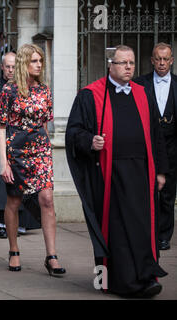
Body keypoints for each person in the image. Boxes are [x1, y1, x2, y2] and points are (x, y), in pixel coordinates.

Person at [65, 44, 168, 297]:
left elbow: (157, 136)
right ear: (110, 65)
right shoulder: (91, 96)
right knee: (118, 229)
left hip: (141, 174)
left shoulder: (143, 94)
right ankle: (121, 283)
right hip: (110, 175)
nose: (128, 67)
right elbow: (73, 132)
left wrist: (161, 171)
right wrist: (91, 141)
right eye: (123, 63)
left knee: (144, 227)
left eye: (131, 63)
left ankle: (147, 277)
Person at [0, 44, 65, 276]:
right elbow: (1, 127)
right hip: (16, 151)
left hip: (40, 151)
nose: (38, 65)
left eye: (40, 61)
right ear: (24, 63)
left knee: (47, 198)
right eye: (34, 61)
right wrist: (3, 162)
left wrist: (46, 151)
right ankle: (14, 250)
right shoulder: (9, 90)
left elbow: (45, 123)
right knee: (14, 201)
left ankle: (52, 255)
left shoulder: (44, 90)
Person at [0, 52, 40, 238]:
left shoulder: (27, 88)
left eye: (14, 66)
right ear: (1, 67)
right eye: (7, 66)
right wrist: (9, 130)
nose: (11, 70)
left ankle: (20, 223)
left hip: (21, 144)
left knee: (20, 182)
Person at [134, 42, 176, 251]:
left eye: (165, 59)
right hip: (148, 146)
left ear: (171, 60)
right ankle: (146, 233)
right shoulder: (140, 84)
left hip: (172, 147)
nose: (161, 63)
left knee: (168, 194)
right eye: (158, 59)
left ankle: (164, 236)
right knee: (146, 191)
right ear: (152, 60)